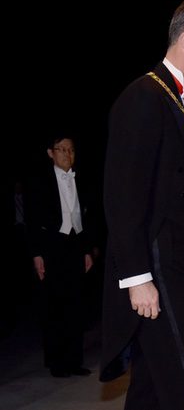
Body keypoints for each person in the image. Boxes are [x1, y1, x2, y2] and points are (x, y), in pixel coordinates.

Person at [100, 0, 184, 410]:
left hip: (181, 262)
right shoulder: (142, 98)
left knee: (153, 385)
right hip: (155, 262)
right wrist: (137, 278)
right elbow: (122, 197)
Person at [25, 134, 96, 377]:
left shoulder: (81, 178)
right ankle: (57, 362)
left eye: (71, 150)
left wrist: (87, 250)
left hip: (75, 244)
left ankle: (74, 361)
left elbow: (85, 217)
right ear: (50, 153)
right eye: (62, 149)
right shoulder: (39, 182)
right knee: (55, 306)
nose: (67, 154)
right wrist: (37, 254)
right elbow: (31, 220)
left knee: (76, 304)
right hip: (52, 247)